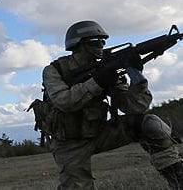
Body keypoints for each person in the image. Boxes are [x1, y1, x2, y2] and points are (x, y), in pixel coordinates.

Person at [43, 20, 183, 189]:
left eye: (103, 41)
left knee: (150, 124)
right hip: (69, 143)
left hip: (99, 133)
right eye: (95, 42)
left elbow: (134, 107)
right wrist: (98, 82)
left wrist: (137, 77)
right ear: (78, 45)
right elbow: (64, 101)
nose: (101, 46)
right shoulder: (55, 70)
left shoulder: (106, 69)